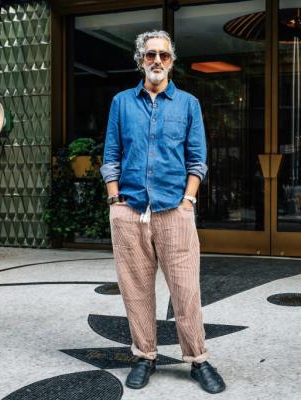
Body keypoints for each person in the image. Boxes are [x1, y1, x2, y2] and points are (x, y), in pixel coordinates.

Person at [99, 30, 226, 394]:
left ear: (172, 61)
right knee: (136, 290)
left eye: (164, 55)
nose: (157, 61)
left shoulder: (188, 104)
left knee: (186, 290)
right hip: (129, 211)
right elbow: (111, 157)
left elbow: (197, 160)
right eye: (151, 54)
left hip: (175, 211)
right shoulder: (121, 103)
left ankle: (197, 359)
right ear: (140, 59)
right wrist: (114, 200)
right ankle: (145, 355)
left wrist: (189, 201)